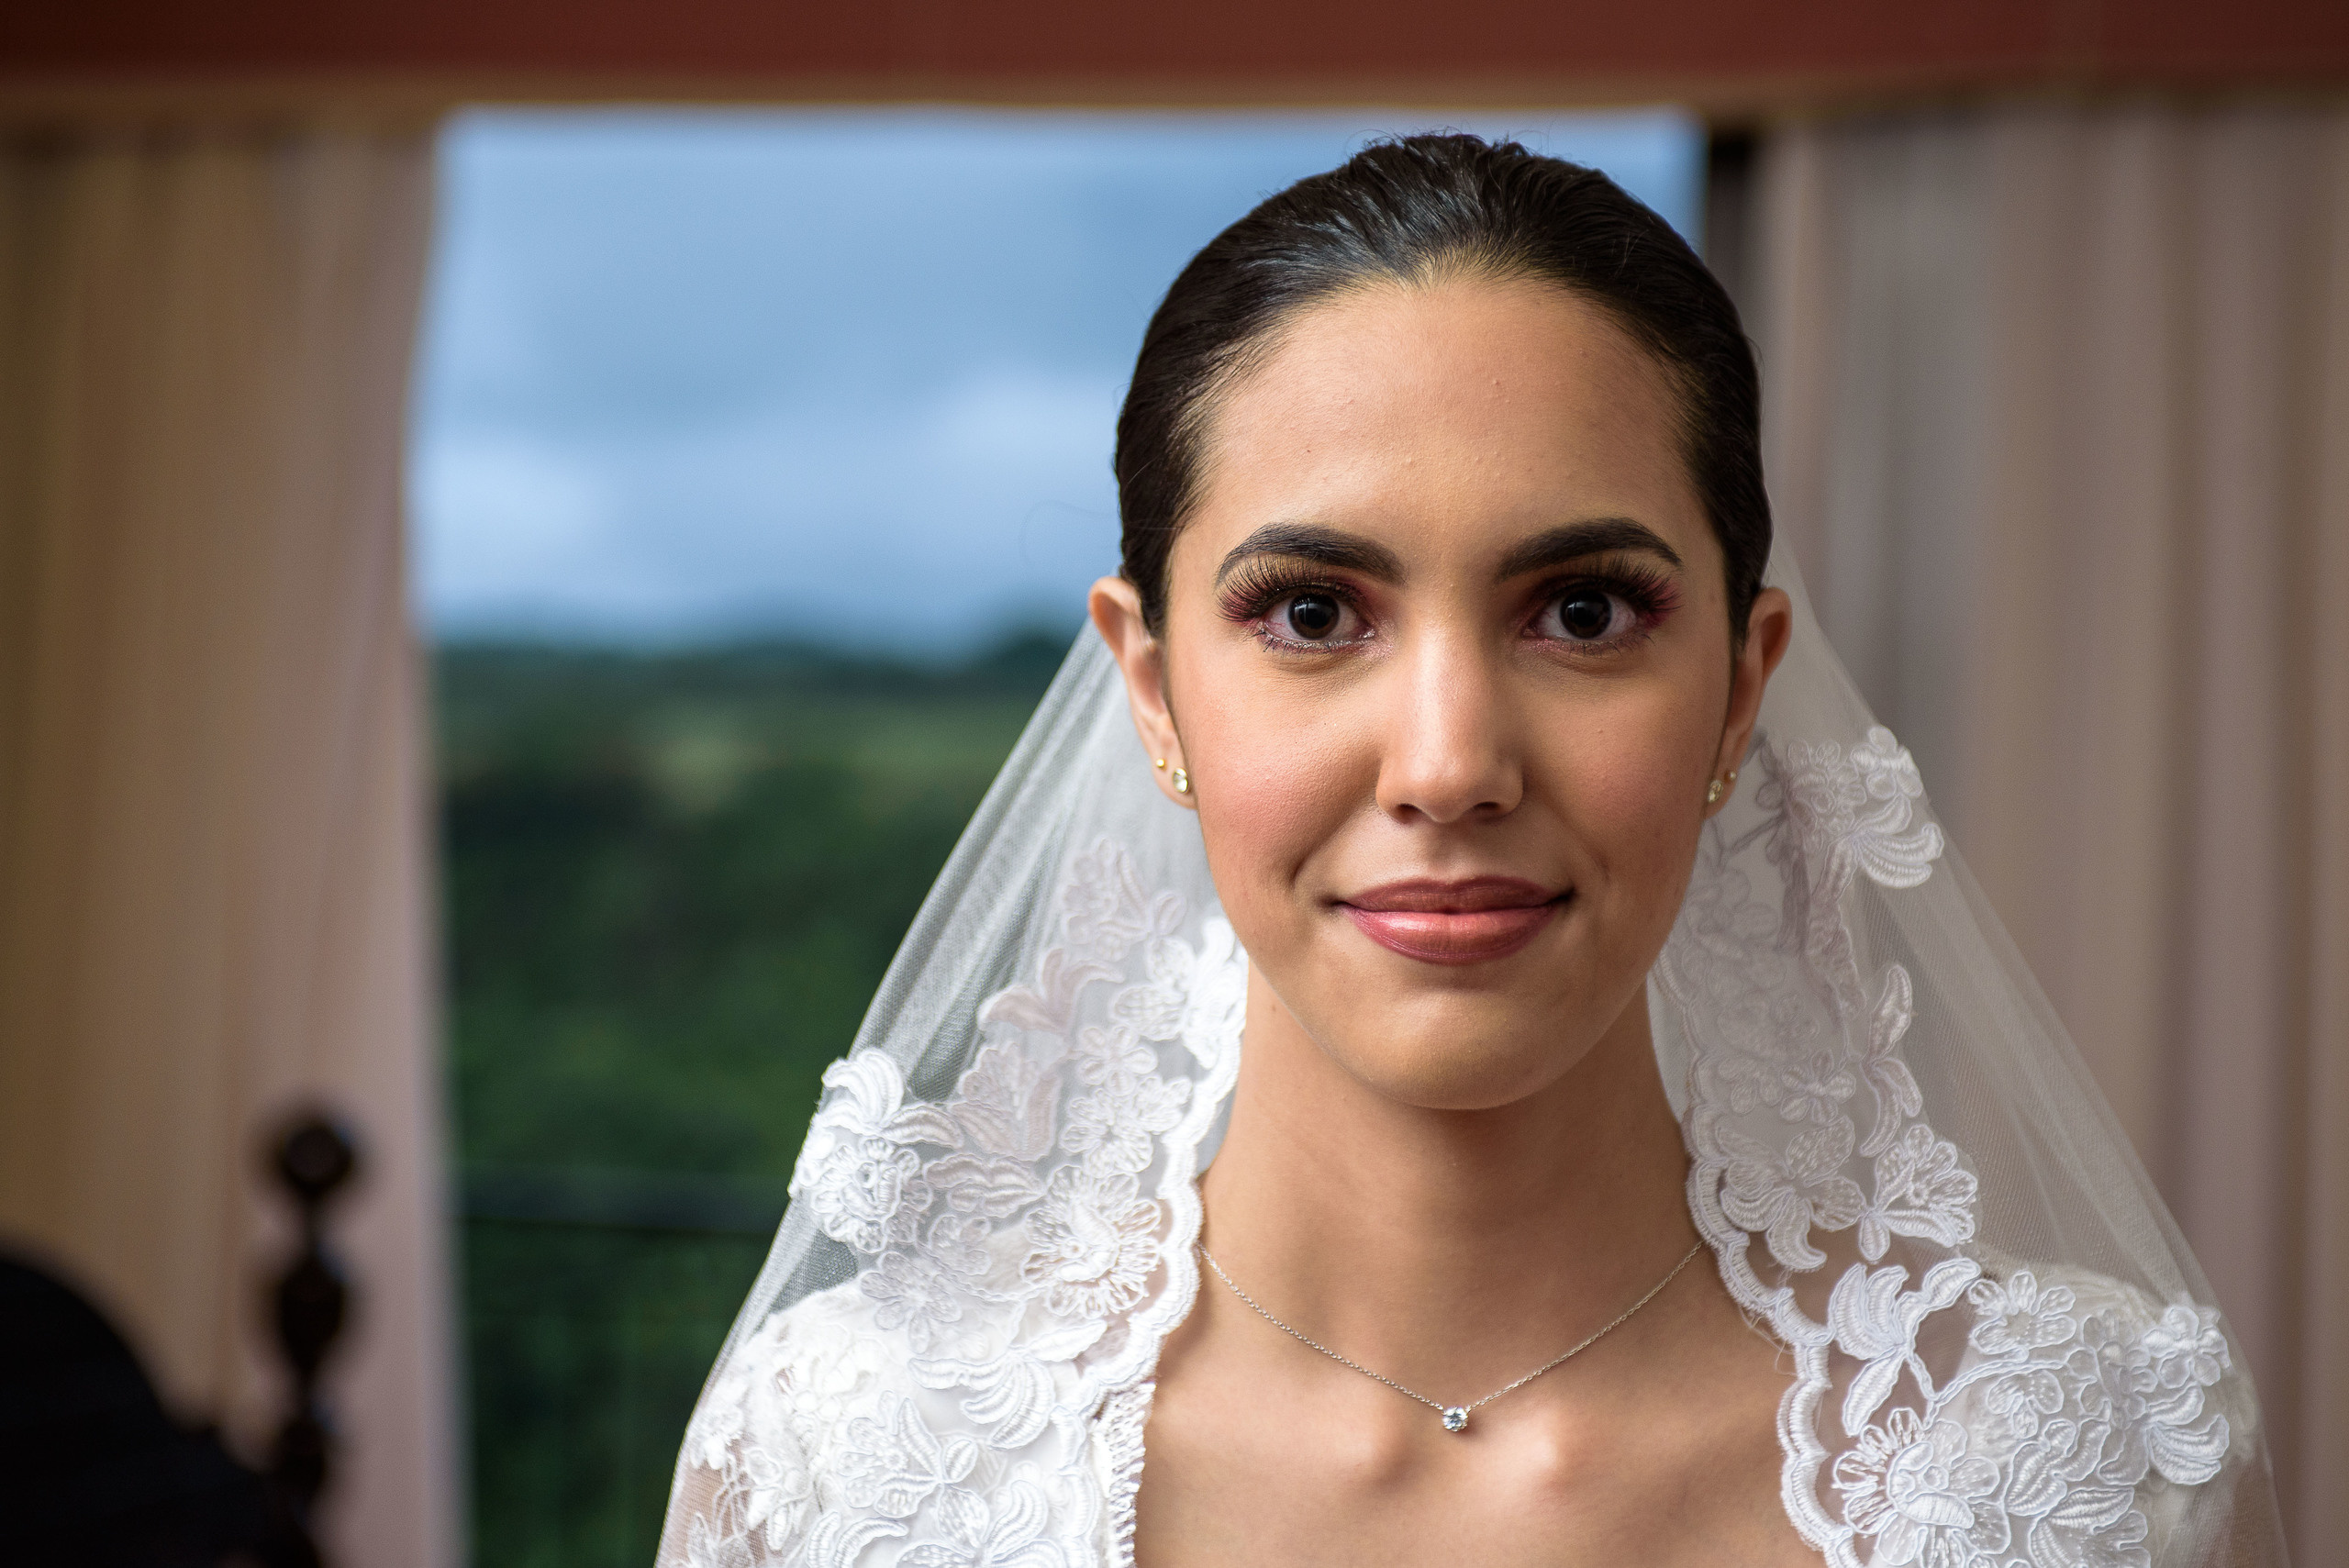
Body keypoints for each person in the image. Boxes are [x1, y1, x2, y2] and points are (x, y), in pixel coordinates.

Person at [659, 135, 2283, 1567]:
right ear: (1152, 691)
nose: (1448, 765)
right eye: (1312, 614)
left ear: (1740, 690)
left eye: (1583, 612)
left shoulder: (2074, 1471)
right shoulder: (844, 1473)